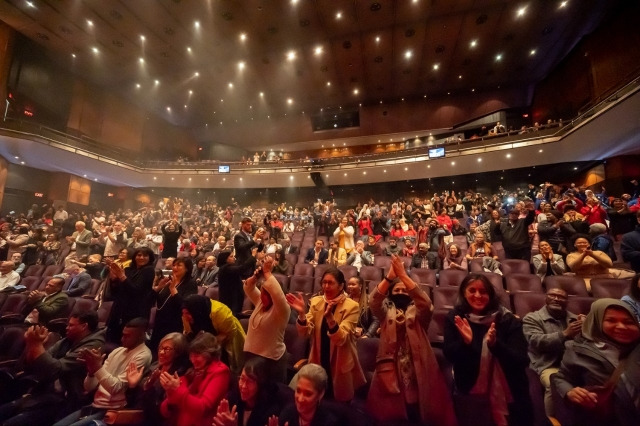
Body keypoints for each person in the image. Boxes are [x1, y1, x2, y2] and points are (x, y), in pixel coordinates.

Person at [367, 255, 457, 425]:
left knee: (419, 409)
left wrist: (403, 276)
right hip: (391, 365)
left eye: (404, 291)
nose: (401, 293)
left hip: (418, 365)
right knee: (392, 411)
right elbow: (373, 300)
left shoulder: (419, 313)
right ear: (391, 294)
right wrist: (390, 277)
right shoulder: (385, 313)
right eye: (397, 291)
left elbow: (426, 303)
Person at [443, 274, 533, 426]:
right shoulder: (456, 318)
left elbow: (522, 360)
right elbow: (450, 354)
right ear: (464, 293)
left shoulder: (507, 320)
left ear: (490, 294)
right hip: (470, 392)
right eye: (472, 290)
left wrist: (495, 345)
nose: (477, 295)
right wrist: (466, 343)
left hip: (511, 393)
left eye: (483, 291)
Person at [0, 312, 104, 426]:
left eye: (71, 325)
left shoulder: (93, 345)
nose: (67, 328)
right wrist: (31, 344)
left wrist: (37, 344)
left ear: (84, 326)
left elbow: (55, 368)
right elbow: (35, 364)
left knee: (11, 423)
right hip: (47, 393)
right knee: (4, 410)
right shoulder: (67, 341)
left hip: (67, 400)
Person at [552, 299, 640, 426]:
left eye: (628, 322)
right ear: (596, 322)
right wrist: (569, 392)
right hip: (608, 418)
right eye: (611, 320)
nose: (621, 326)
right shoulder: (577, 349)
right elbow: (561, 378)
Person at [285, 267, 366, 402]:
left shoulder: (351, 306)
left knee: (338, 404)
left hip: (340, 363)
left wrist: (330, 319)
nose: (326, 286)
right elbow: (304, 332)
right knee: (317, 401)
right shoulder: (317, 302)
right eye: (324, 282)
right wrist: (301, 314)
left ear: (341, 286)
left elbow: (342, 339)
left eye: (330, 283)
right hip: (319, 359)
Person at [53, 318, 152, 426]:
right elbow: (89, 387)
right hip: (96, 405)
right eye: (123, 334)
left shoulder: (143, 355)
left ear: (140, 336)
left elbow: (116, 388)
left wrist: (97, 368)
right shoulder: (117, 351)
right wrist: (91, 372)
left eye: (128, 336)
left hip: (113, 410)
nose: (122, 338)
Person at [522, 288, 583, 417]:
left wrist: (588, 326)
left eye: (561, 297)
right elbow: (535, 342)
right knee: (554, 384)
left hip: (574, 363)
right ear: (546, 298)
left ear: (567, 302)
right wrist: (565, 334)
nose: (556, 299)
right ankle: (551, 420)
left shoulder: (575, 319)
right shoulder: (532, 318)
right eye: (552, 295)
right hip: (548, 364)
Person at [160, 332, 231, 426]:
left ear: (209, 354)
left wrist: (177, 389)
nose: (193, 360)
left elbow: (202, 408)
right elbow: (165, 411)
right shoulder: (191, 372)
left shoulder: (220, 372)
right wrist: (170, 391)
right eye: (191, 355)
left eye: (197, 356)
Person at [243, 256, 291, 383]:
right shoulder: (260, 302)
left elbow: (278, 294)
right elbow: (248, 288)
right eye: (262, 292)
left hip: (271, 362)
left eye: (266, 293)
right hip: (251, 356)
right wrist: (256, 277)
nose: (262, 295)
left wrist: (267, 272)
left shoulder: (281, 310)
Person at [125, 332, 190, 425]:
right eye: (160, 348)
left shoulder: (177, 376)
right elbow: (134, 400)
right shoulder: (154, 366)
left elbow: (159, 414)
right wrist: (132, 386)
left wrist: (149, 388)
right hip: (134, 415)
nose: (161, 352)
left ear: (178, 353)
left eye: (167, 349)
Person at [213, 357, 291, 426]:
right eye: (242, 378)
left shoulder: (272, 411)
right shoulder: (233, 398)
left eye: (250, 381)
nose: (243, 386)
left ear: (261, 384)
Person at [182, 294, 246, 374]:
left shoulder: (219, 311)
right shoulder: (186, 314)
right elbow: (189, 333)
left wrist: (205, 346)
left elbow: (227, 334)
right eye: (183, 313)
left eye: (187, 313)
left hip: (227, 341)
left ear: (196, 310)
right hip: (205, 346)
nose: (185, 316)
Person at [104, 247, 156, 344]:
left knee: (127, 341)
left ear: (150, 258)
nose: (141, 258)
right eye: (139, 255)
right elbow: (117, 291)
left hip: (135, 310)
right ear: (134, 257)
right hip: (120, 308)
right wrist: (114, 280)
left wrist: (122, 277)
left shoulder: (149, 271)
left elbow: (136, 291)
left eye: (145, 256)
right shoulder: (128, 269)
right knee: (112, 338)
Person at [268, 363, 344, 426]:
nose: (300, 399)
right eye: (298, 391)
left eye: (308, 394)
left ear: (320, 394)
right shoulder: (288, 413)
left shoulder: (330, 422)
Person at [149, 257, 198, 352]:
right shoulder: (168, 280)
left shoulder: (190, 283)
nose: (175, 267)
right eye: (174, 265)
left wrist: (173, 289)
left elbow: (185, 305)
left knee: (169, 350)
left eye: (179, 265)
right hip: (160, 320)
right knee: (155, 349)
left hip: (175, 322)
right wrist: (159, 287)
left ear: (187, 268)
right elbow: (153, 299)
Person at [217, 250, 255, 316]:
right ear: (225, 259)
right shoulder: (225, 268)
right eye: (231, 256)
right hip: (231, 300)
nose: (234, 258)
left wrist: (240, 281)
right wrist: (253, 256)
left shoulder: (226, 268)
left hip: (232, 298)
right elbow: (242, 268)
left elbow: (231, 280)